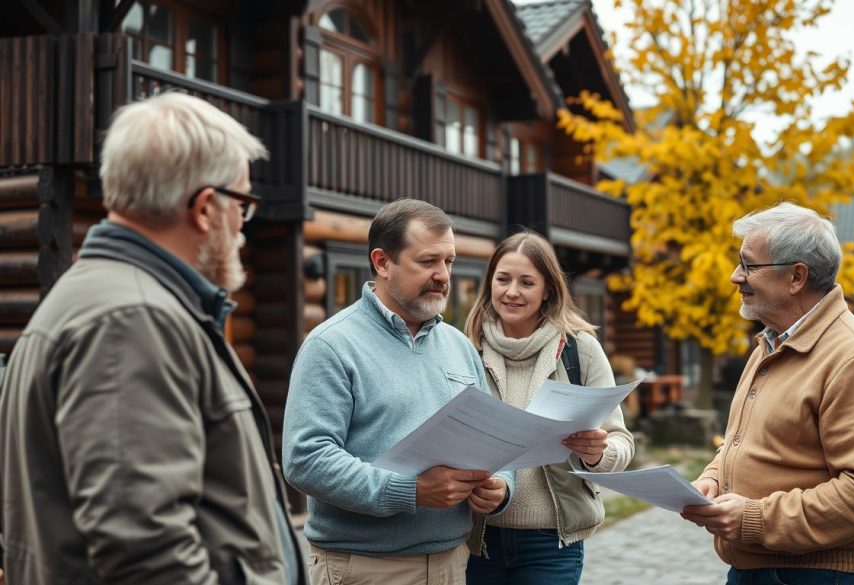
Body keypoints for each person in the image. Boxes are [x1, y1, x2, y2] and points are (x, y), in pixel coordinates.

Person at [0, 92, 305, 584]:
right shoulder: (132, 322)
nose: (242, 230)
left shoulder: (117, 301)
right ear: (206, 208)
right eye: (242, 206)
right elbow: (147, 557)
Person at [283, 199, 514, 585]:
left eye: (449, 261)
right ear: (382, 262)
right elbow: (306, 459)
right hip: (364, 569)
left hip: (453, 565)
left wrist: (503, 485)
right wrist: (409, 491)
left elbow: (495, 438)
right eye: (427, 261)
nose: (443, 275)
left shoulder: (458, 346)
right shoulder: (331, 345)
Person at [681, 202, 854, 584]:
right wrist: (714, 477)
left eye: (749, 265)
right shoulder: (770, 345)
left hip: (819, 576)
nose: (735, 276)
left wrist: (753, 518)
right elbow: (749, 442)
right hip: (759, 569)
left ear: (796, 277)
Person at [463, 230, 635, 585]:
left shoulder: (580, 349)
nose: (512, 291)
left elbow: (621, 442)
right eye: (503, 279)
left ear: (548, 291)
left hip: (551, 543)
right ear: (490, 284)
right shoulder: (466, 350)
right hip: (478, 539)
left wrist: (597, 453)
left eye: (527, 282)